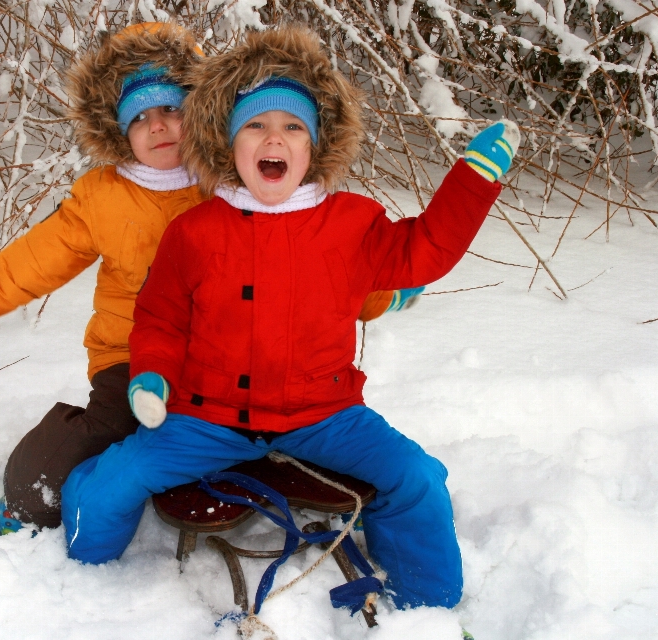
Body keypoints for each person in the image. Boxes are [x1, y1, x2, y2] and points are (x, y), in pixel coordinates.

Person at [59, 25, 519, 611]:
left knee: (418, 476)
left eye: (292, 127)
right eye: (255, 124)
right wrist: (151, 375)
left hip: (325, 414)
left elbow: (423, 251)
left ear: (313, 148)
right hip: (208, 416)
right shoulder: (195, 232)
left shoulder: (352, 223)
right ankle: (79, 581)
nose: (273, 137)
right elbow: (160, 318)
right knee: (111, 483)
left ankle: (429, 605)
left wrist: (471, 183)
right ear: (230, 144)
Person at [0, 22, 417, 534]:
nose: (160, 126)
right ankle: (36, 490)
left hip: (230, 358)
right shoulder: (103, 197)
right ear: (120, 131)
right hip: (131, 354)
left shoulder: (235, 185)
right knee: (122, 426)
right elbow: (33, 262)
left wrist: (381, 295)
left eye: (171, 107)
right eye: (140, 117)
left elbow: (312, 270)